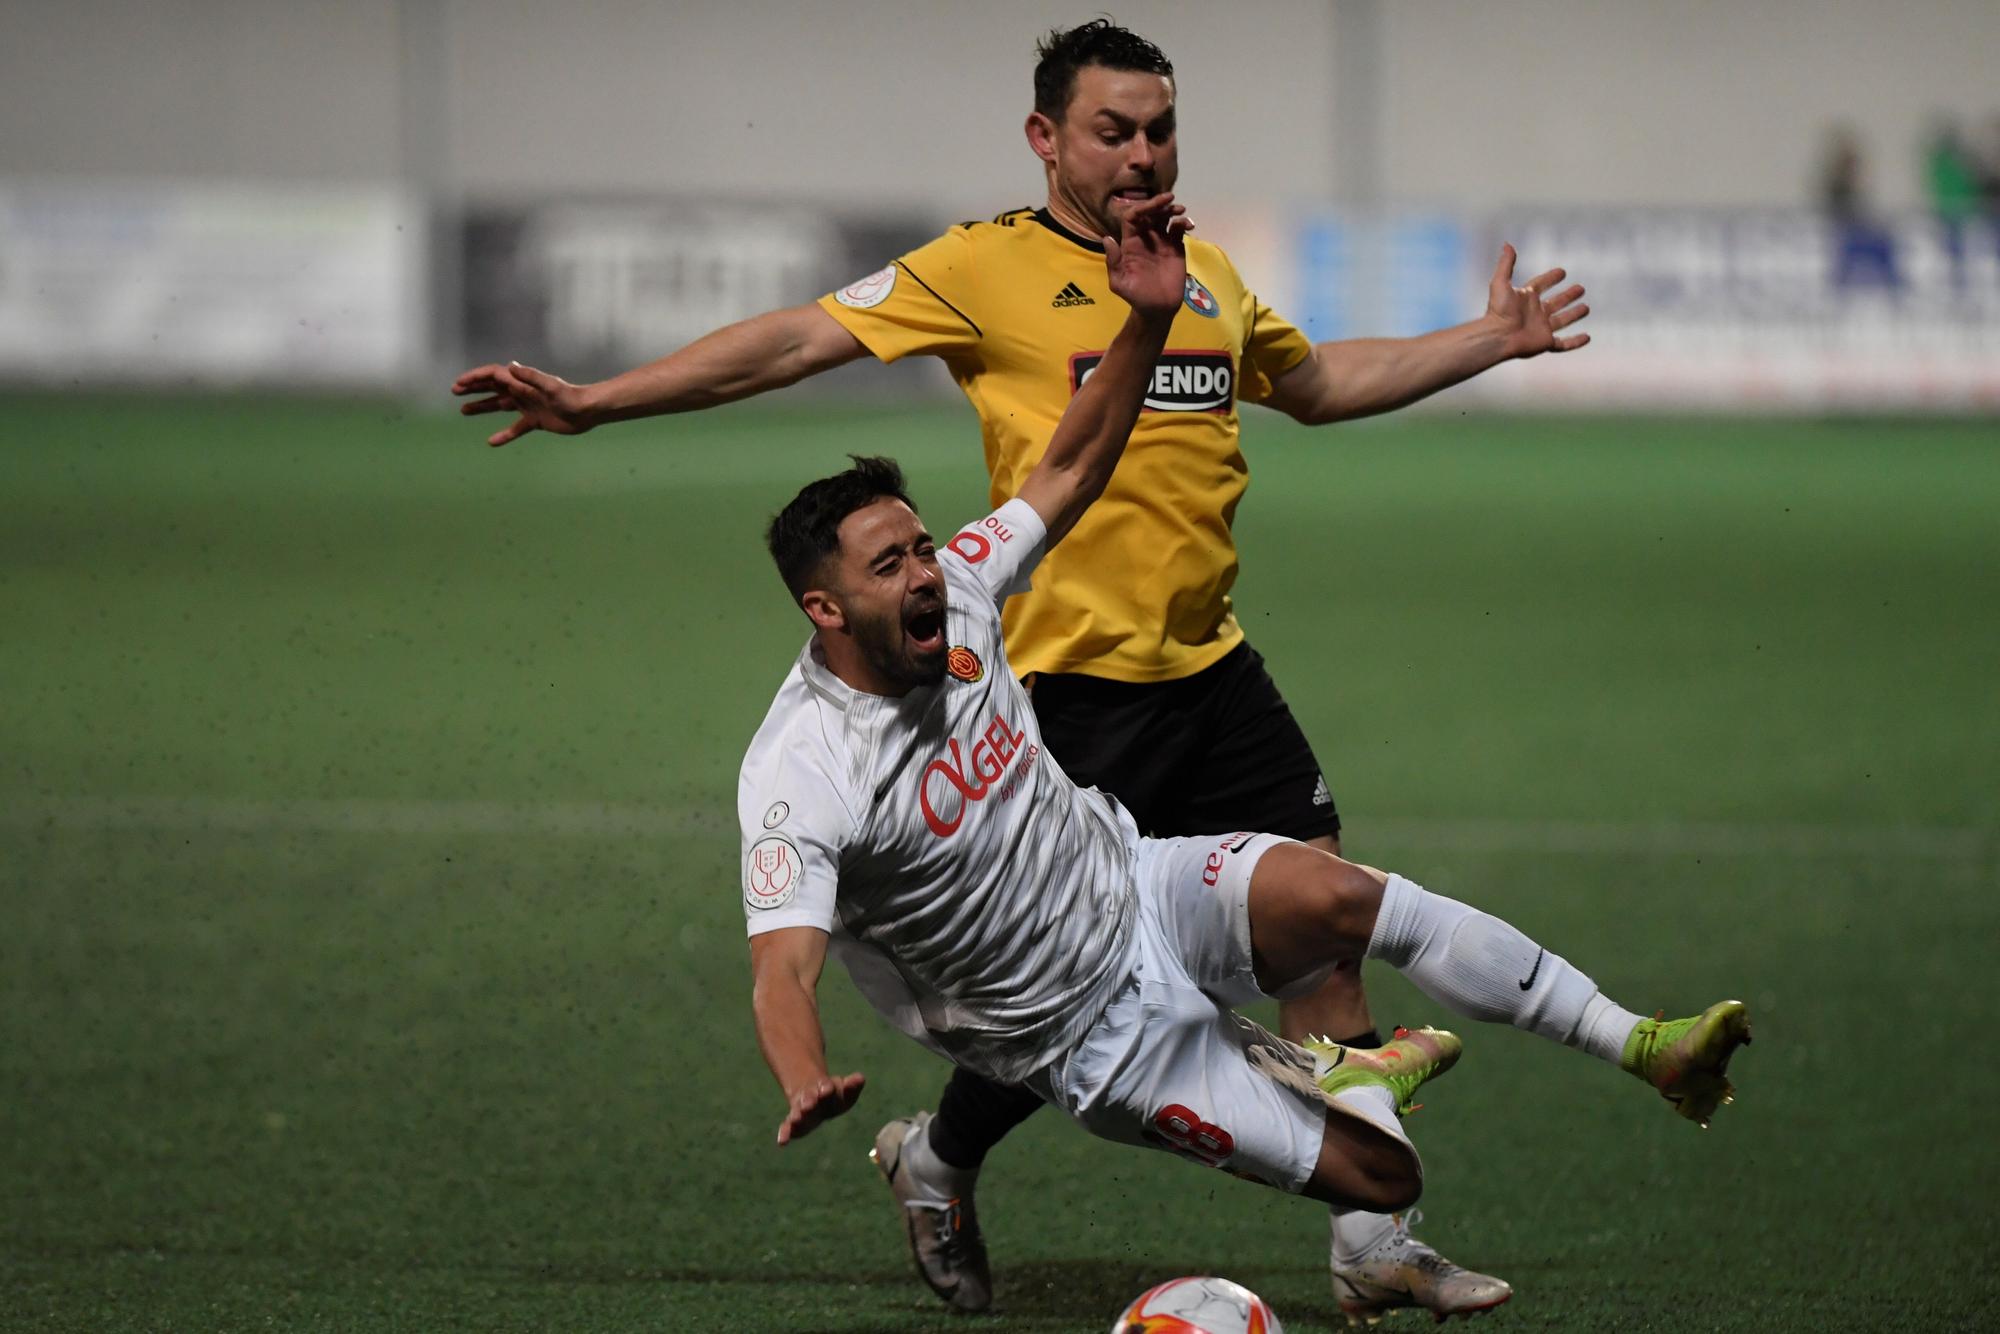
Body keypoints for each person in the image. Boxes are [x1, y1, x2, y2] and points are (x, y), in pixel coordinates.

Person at [453, 20, 1591, 1320]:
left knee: (1324, 934)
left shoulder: (1201, 271)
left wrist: (1487, 339)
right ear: (1047, 137)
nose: (1143, 153)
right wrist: (601, 399)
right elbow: (792, 342)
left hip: (1214, 671)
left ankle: (1373, 1236)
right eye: (1114, 130)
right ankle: (939, 1157)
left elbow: (1324, 381)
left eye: (1161, 128)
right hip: (1063, 696)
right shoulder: (979, 268)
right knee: (1062, 993)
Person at [739, 195, 1748, 1323]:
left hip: (1136, 886)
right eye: (891, 566)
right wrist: (802, 1076)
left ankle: (1634, 1042)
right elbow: (782, 966)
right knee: (1385, 1175)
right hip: (1086, 1033)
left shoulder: (965, 586)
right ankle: (956, 1157)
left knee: (1337, 894)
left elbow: (1068, 462)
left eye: (920, 544)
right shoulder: (800, 769)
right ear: (825, 607)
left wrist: (1145, 321)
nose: (925, 572)